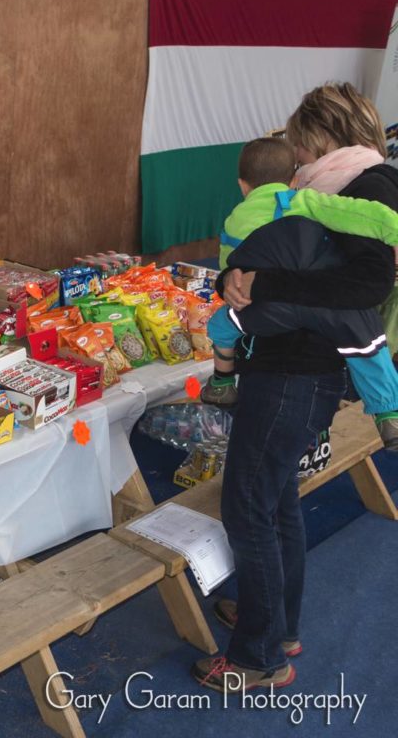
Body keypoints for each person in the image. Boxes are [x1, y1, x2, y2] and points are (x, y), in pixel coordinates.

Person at [192, 82, 398, 693]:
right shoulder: (327, 189)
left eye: (302, 145)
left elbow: (364, 287)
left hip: (295, 373)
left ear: (326, 137)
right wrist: (235, 278)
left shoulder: (365, 188)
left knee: (247, 503)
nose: (298, 159)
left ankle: (258, 657)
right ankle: (276, 623)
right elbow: (267, 257)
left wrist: (262, 287)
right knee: (275, 497)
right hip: (286, 367)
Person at [201, 137, 398, 450]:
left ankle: (222, 383)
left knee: (223, 325)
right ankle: (388, 414)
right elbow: (362, 215)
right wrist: (393, 231)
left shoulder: (233, 220)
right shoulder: (304, 200)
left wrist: (230, 285)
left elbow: (230, 269)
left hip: (267, 310)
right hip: (322, 306)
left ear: (242, 186)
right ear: (294, 179)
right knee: (367, 344)